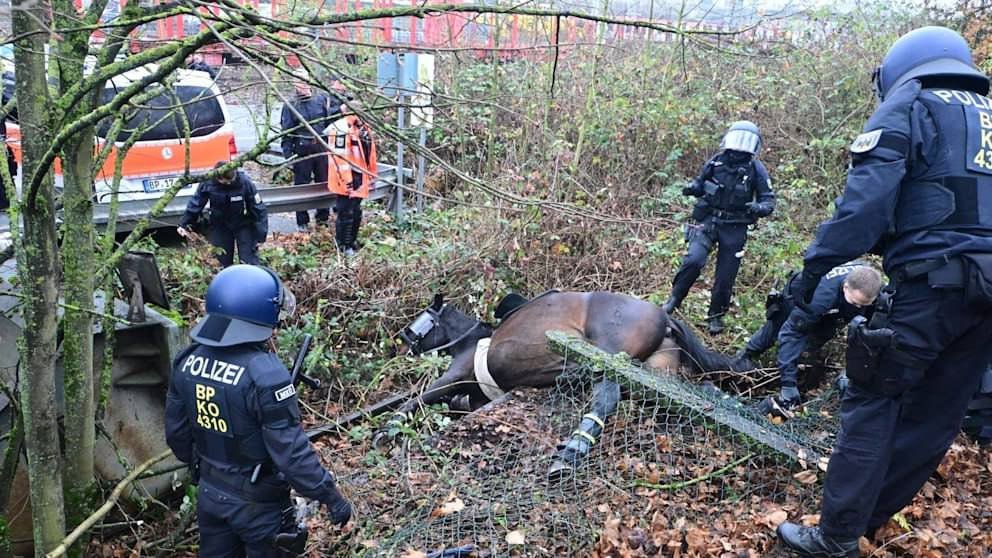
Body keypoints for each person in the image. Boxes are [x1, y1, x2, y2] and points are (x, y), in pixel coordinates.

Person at [776, 27, 992, 558]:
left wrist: (809, 278)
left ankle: (836, 537)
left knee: (872, 398)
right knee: (937, 415)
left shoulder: (912, 105)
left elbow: (862, 210)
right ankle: (865, 519)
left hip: (933, 283)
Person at [165, 265, 352, 556]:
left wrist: (210, 469)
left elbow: (177, 435)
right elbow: (291, 452)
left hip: (210, 493)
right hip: (258, 506)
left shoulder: (187, 360)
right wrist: (329, 495)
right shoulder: (265, 373)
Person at [663, 121, 775, 334]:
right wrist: (693, 189)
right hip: (708, 220)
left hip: (735, 227)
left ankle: (716, 316)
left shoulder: (755, 169)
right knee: (693, 260)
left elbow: (769, 200)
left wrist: (758, 208)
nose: (739, 147)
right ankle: (675, 299)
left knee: (726, 275)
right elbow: (700, 183)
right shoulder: (716, 161)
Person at [736, 263, 882, 409]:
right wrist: (788, 384)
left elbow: (872, 331)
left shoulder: (872, 286)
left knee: (814, 342)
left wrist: (850, 372)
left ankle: (803, 372)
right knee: (777, 329)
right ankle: (745, 356)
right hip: (799, 299)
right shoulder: (819, 297)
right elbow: (792, 334)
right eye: (856, 303)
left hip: (834, 312)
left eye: (864, 304)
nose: (859, 308)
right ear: (845, 287)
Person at [280, 69, 342, 232]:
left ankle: (322, 217)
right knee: (301, 186)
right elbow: (286, 132)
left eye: (304, 81)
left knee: (324, 182)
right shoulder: (291, 105)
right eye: (298, 81)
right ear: (294, 84)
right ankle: (302, 221)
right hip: (302, 149)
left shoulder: (320, 99)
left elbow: (330, 118)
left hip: (321, 147)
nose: (302, 85)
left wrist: (342, 108)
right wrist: (289, 157)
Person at [178, 162, 268, 267]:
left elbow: (258, 209)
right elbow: (196, 203)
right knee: (222, 261)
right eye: (226, 182)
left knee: (248, 261)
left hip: (243, 223)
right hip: (220, 224)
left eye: (231, 181)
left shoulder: (245, 182)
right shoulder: (208, 182)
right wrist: (184, 223)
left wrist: (261, 235)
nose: (229, 184)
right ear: (218, 178)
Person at [327, 101, 377, 256]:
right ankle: (343, 244)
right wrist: (347, 182)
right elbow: (339, 158)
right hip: (346, 178)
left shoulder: (362, 127)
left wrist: (371, 177)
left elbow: (369, 154)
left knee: (355, 212)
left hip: (359, 176)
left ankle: (351, 241)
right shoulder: (340, 129)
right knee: (346, 213)